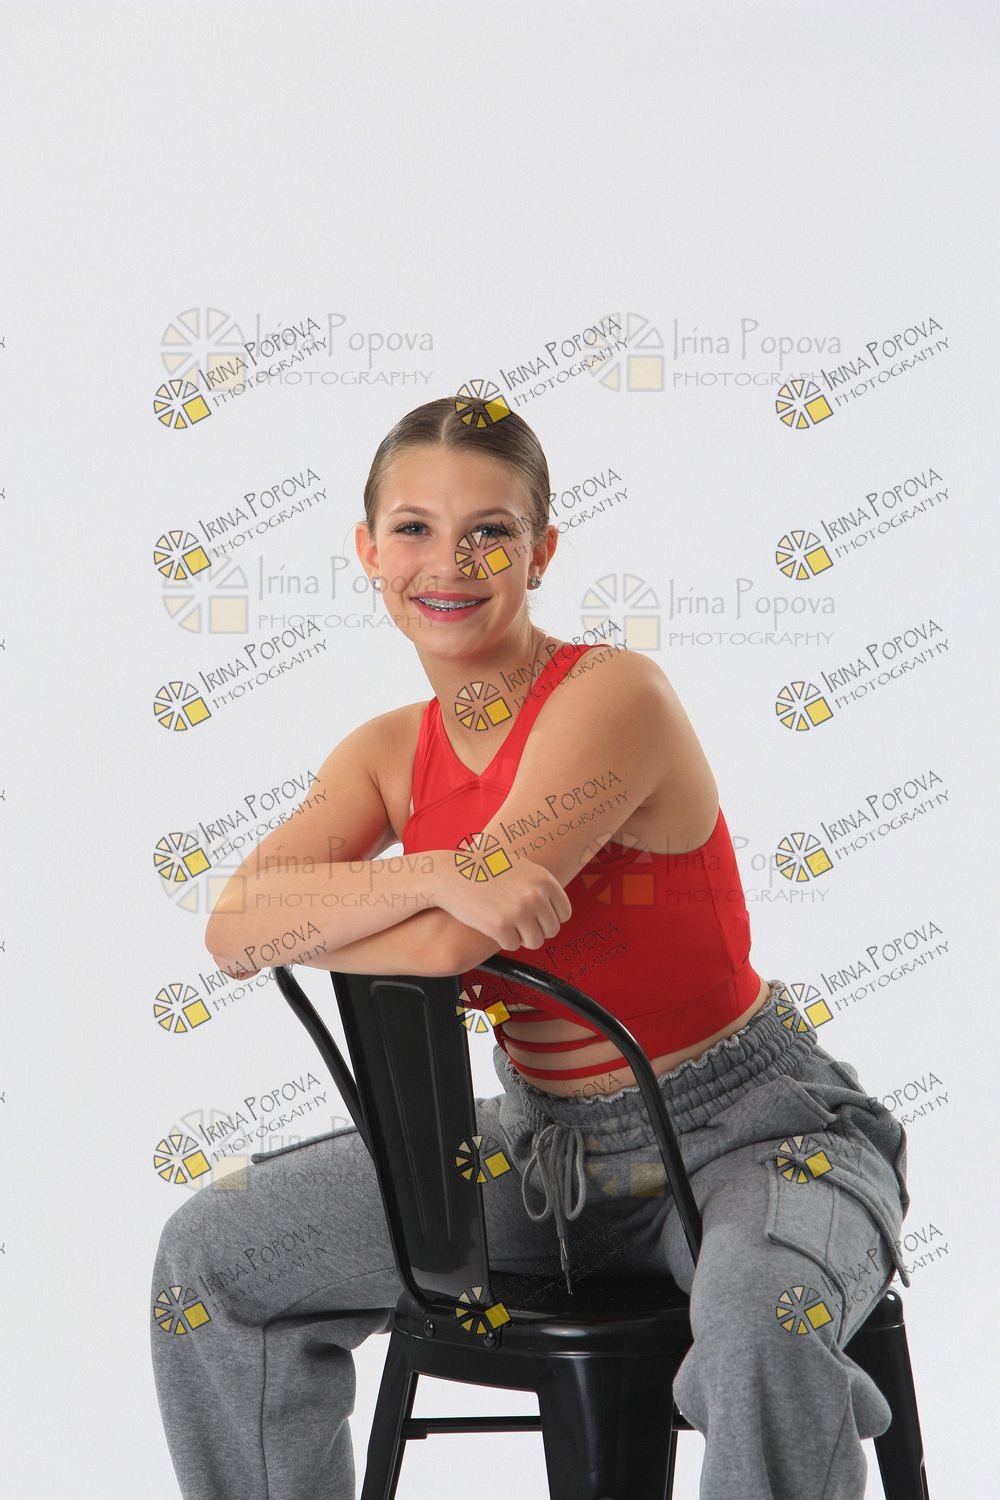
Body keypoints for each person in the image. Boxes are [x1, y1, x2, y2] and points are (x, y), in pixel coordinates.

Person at [151, 395, 912, 1499]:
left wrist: (390, 904)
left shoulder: (613, 695)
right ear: (368, 551)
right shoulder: (385, 754)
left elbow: (454, 941)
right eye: (413, 528)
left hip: (750, 1132)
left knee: (764, 1317)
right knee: (214, 1258)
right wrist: (431, 869)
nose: (448, 563)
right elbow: (235, 927)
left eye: (489, 532)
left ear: (541, 551)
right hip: (546, 1153)